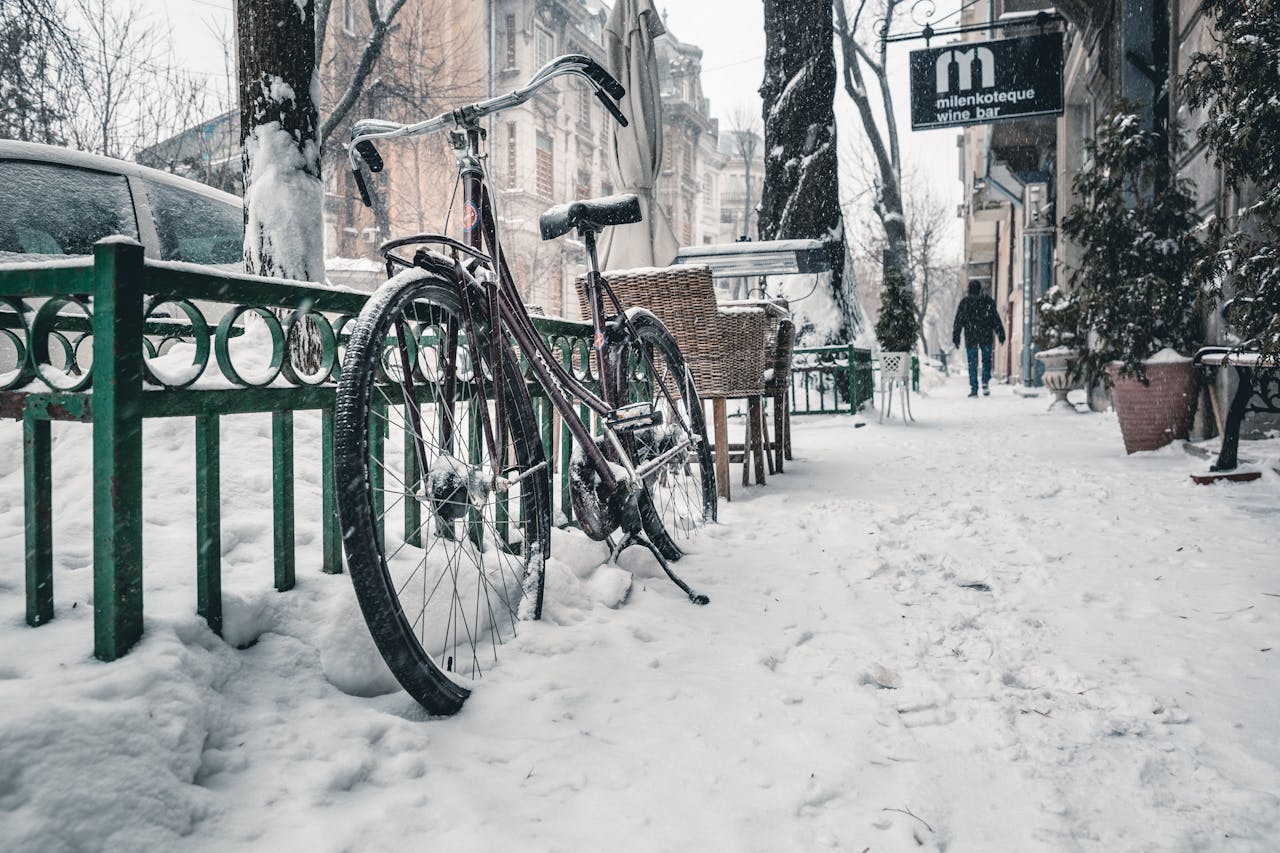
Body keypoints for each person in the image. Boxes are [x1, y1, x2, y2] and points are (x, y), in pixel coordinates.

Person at [952, 281, 1005, 397]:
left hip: (971, 337)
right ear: (980, 289)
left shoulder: (965, 303)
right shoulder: (988, 302)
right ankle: (985, 380)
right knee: (987, 360)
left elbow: (958, 322)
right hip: (986, 336)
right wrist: (1000, 333)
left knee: (972, 363)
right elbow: (995, 319)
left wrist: (956, 337)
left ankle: (974, 388)